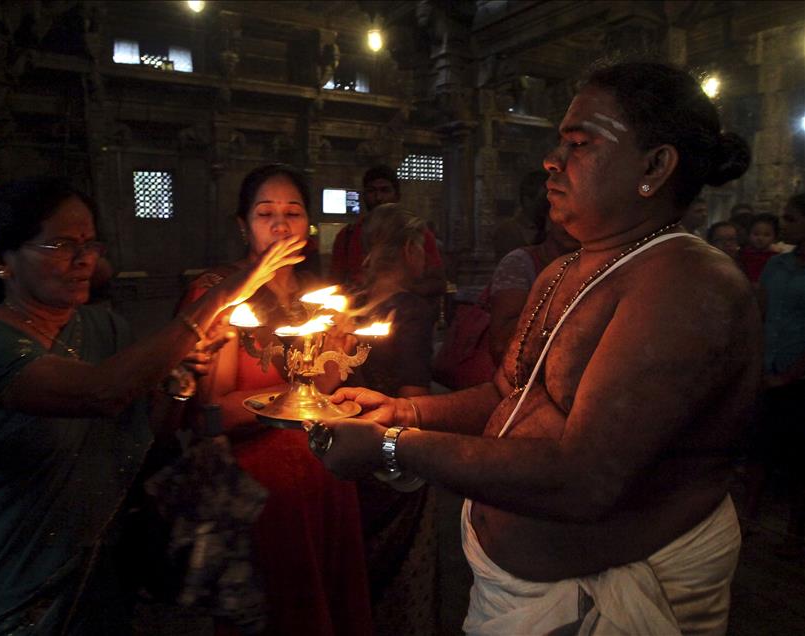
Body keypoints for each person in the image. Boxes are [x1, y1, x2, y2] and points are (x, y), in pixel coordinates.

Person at [317, 61, 758, 634]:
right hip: (515, 594)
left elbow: (583, 481)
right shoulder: (565, 270)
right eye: (559, 142)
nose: (552, 159)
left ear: (654, 165)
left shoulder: (685, 283)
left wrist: (393, 447)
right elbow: (509, 394)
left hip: (609, 597)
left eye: (580, 143)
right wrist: (407, 411)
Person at [0, 176, 302, 634]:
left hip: (96, 557)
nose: (84, 260)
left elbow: (147, 437)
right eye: (61, 244)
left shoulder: (105, 328)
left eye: (89, 243)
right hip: (4, 560)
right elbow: (103, 393)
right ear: (2, 260)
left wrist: (181, 377)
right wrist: (219, 299)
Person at [180, 164, 373, 636]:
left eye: (293, 212)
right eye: (266, 213)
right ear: (243, 225)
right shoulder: (221, 297)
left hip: (326, 474)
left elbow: (326, 394)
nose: (281, 224)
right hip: (261, 491)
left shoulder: (322, 297)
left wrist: (341, 352)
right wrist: (292, 395)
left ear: (308, 225)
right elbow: (213, 413)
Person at [346, 204, 440, 636]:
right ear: (407, 250)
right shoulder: (412, 312)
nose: (426, 258)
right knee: (404, 578)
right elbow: (413, 396)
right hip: (391, 453)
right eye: (422, 248)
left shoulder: (351, 304)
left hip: (350, 450)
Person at [749, 193, 805, 557]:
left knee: (798, 457)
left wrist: (790, 376)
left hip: (799, 380)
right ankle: (748, 518)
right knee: (758, 450)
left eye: (791, 218)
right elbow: (761, 314)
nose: (784, 224)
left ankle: (795, 533)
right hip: (767, 370)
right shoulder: (777, 266)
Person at [330, 164, 445, 298]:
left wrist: (397, 290)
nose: (378, 197)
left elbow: (438, 282)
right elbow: (335, 282)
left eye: (385, 190)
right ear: (364, 196)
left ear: (397, 196)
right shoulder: (347, 235)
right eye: (372, 191)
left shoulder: (415, 233)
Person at [488, 217, 580, 365]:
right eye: (563, 214)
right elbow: (501, 342)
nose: (572, 225)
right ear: (548, 220)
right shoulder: (520, 264)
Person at [492, 170, 550, 261]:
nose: (548, 205)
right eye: (543, 200)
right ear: (527, 200)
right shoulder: (508, 231)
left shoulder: (552, 227)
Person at [739, 213, 779, 282]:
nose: (760, 238)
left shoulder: (776, 258)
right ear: (749, 235)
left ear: (774, 238)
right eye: (756, 234)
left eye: (766, 235)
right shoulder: (742, 254)